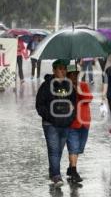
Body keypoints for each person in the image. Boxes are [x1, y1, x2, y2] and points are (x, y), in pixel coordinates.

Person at [36, 59, 76, 187]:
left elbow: (74, 103)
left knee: (59, 150)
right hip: (50, 124)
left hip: (65, 124)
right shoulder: (46, 86)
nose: (63, 71)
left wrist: (70, 117)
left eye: (65, 68)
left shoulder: (69, 85)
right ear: (54, 70)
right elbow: (39, 105)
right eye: (60, 68)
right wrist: (51, 117)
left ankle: (52, 171)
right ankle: (56, 176)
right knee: (53, 150)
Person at [65, 64, 93, 183]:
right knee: (74, 148)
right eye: (72, 75)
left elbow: (88, 98)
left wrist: (78, 90)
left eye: (76, 74)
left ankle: (71, 167)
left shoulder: (83, 85)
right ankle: (74, 171)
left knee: (79, 148)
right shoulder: (65, 88)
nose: (74, 77)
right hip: (71, 123)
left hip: (84, 122)